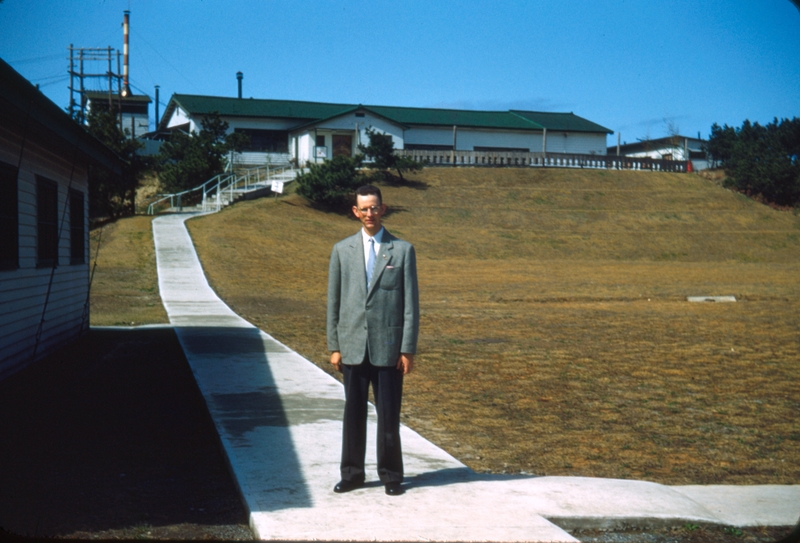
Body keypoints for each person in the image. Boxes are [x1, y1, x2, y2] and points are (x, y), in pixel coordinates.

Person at [326, 184, 419, 496]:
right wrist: (334, 346)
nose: (369, 213)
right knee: (353, 413)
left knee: (389, 416)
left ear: (383, 208)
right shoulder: (341, 250)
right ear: (355, 211)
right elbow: (334, 302)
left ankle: (391, 475)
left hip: (389, 349)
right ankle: (352, 474)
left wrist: (407, 349)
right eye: (363, 208)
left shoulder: (403, 250)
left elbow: (410, 305)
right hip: (352, 345)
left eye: (374, 207)